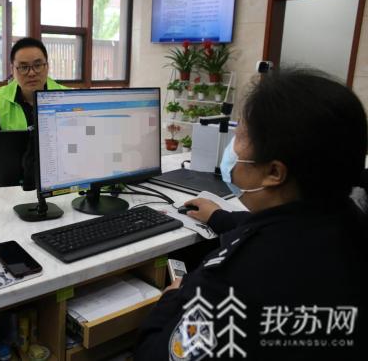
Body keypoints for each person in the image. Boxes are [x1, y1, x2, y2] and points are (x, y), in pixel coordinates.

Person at [136, 69, 368, 360]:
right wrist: (221, 218)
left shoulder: (230, 282)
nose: (232, 148)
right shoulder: (351, 222)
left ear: (274, 172)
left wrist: (172, 298)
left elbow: (154, 355)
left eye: (240, 136)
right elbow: (290, 229)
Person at [0, 37, 67, 184]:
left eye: (38, 65)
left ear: (47, 66)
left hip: (59, 181)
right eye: (23, 67)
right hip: (14, 182)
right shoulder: (0, 98)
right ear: (12, 69)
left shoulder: (66, 97)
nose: (31, 73)